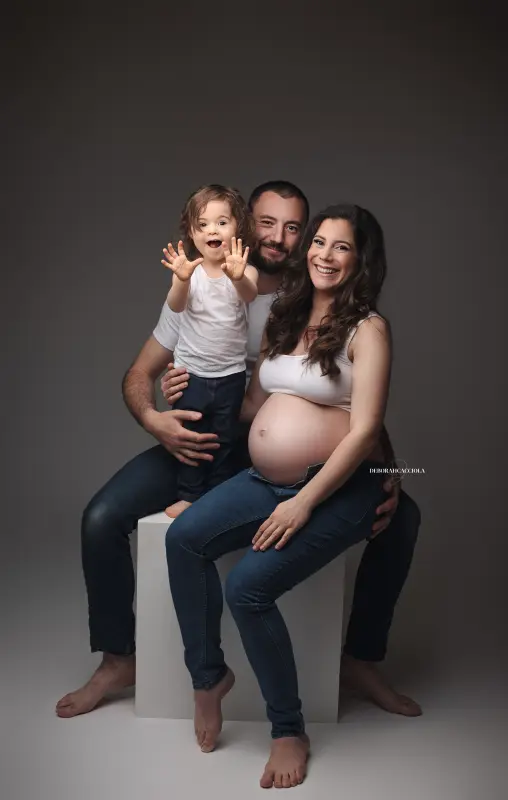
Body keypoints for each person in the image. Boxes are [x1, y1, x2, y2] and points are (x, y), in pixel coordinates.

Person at [55, 181, 421, 722]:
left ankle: (361, 659)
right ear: (245, 224)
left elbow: (359, 414)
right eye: (267, 223)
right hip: (205, 443)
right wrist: (156, 417)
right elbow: (139, 373)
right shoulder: (201, 283)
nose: (280, 237)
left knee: (402, 515)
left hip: (277, 463)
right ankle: (118, 659)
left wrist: (392, 470)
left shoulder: (306, 298)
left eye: (295, 228)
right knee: (101, 517)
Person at [164, 203, 398, 788]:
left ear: (360, 259)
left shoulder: (368, 328)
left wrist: (304, 501)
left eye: (340, 246)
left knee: (246, 589)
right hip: (266, 481)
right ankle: (207, 677)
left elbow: (365, 428)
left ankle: (288, 729)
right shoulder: (285, 314)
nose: (323, 254)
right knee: (184, 539)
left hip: (337, 489)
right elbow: (251, 405)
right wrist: (184, 384)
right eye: (318, 242)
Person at [159, 184, 258, 517]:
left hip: (230, 375)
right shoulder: (191, 273)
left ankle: (216, 495)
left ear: (238, 229)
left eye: (221, 222)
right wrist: (182, 280)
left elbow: (249, 294)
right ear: (191, 231)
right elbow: (175, 305)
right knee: (193, 437)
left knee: (224, 438)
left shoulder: (243, 270)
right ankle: (189, 494)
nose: (212, 230)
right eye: (203, 224)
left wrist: (238, 275)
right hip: (191, 375)